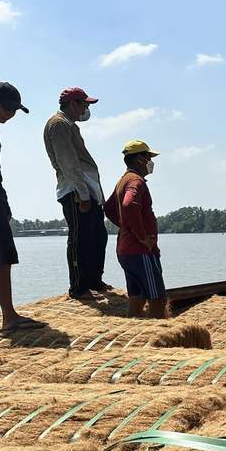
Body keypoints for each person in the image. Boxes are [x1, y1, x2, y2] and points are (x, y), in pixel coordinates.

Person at [0, 82, 45, 333]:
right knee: (2, 255)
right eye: (6, 108)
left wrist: (4, 200)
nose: (9, 114)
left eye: (14, 110)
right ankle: (9, 317)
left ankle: (7, 316)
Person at [43, 87, 110, 299]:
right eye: (85, 104)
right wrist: (82, 193)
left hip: (86, 190)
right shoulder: (59, 124)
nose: (87, 109)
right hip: (75, 191)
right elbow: (67, 162)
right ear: (73, 103)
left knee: (98, 237)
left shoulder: (69, 125)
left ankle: (94, 281)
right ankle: (79, 288)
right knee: (80, 239)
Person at [103, 140, 167, 318]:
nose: (151, 162)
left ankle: (136, 329)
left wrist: (125, 226)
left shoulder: (123, 180)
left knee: (136, 298)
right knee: (158, 299)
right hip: (140, 251)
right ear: (140, 159)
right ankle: (158, 332)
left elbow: (109, 208)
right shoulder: (135, 181)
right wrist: (141, 236)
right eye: (149, 158)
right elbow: (129, 204)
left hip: (126, 251)